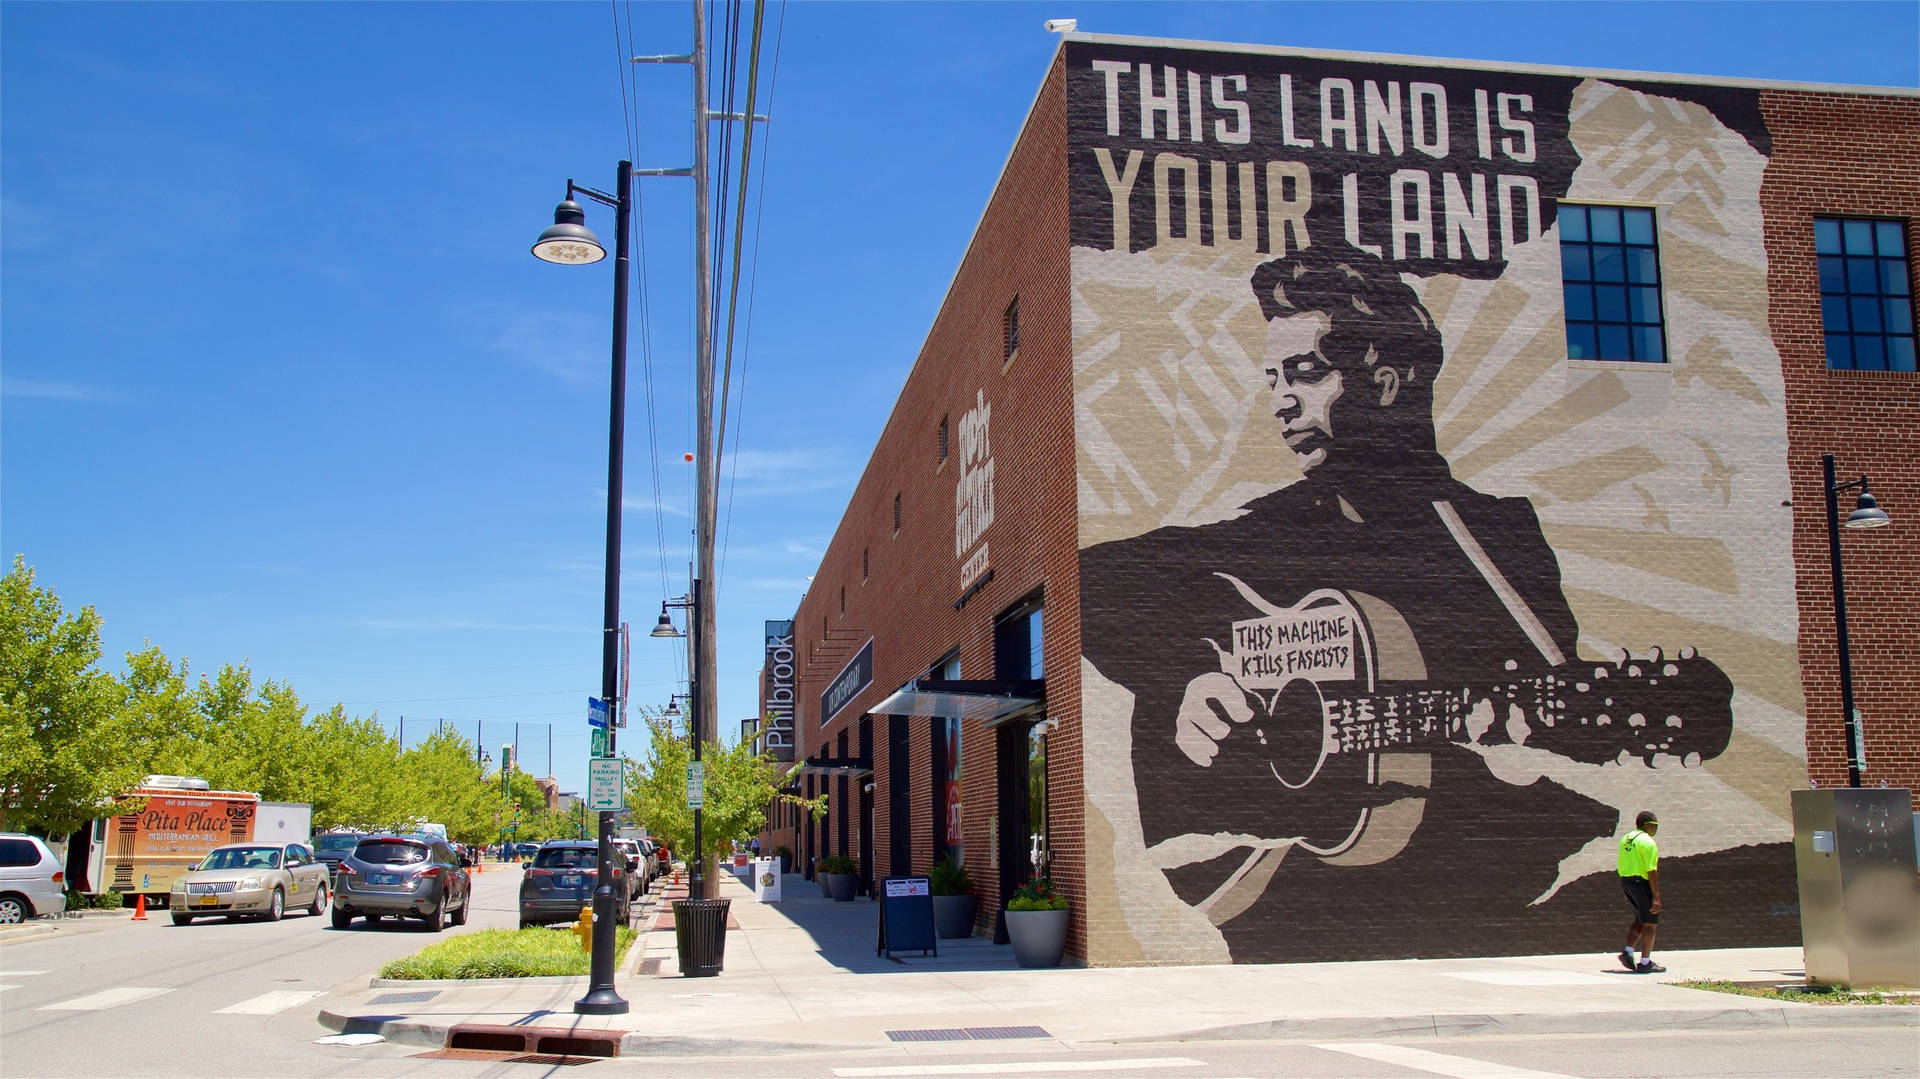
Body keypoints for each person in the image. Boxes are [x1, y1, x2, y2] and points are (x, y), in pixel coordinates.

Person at [1078, 241, 1732, 961]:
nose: (1281, 400)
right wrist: (1188, 670)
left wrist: (1523, 744)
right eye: (1272, 378)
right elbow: (1093, 578)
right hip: (1295, 903)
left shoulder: (1499, 542)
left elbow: (1550, 727)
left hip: (1475, 901)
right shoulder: (1276, 528)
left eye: (1306, 372)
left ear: (1386, 380)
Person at [1618, 811, 1663, 973]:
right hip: (1641, 883)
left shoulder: (1626, 838)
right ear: (1646, 825)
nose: (1656, 829)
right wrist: (1656, 896)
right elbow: (1651, 870)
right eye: (1655, 826)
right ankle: (1645, 963)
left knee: (1640, 919)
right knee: (1650, 923)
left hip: (1627, 881)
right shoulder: (1648, 842)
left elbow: (1623, 863)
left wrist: (1626, 890)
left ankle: (1628, 952)